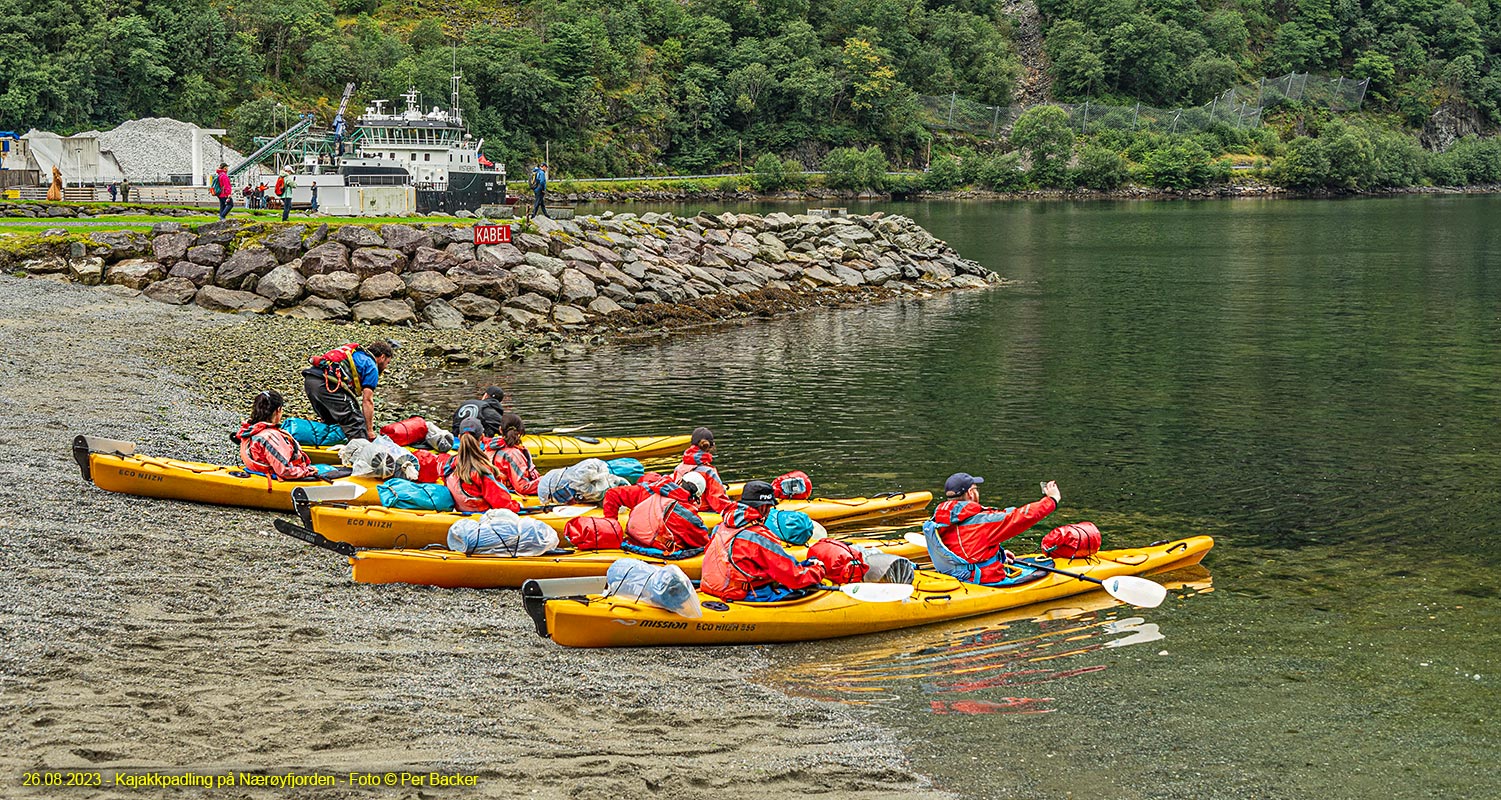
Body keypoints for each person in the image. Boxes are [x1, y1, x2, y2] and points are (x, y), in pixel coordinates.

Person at [923, 474, 1061, 584]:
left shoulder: (938, 519)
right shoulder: (983, 521)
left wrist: (995, 554)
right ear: (971, 493)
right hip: (979, 580)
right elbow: (1020, 517)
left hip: (953, 574)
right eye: (976, 489)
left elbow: (958, 546)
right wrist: (1052, 500)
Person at [700, 481, 827, 601]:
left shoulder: (721, 526)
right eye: (770, 507)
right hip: (743, 594)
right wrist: (819, 570)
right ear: (764, 507)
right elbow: (795, 577)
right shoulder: (759, 537)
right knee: (805, 590)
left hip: (712, 588)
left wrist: (804, 564)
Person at [301, 340, 396, 443]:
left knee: (332, 421)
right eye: (387, 362)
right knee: (356, 423)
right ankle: (361, 453)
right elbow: (367, 400)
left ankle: (329, 444)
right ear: (382, 357)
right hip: (326, 384)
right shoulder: (372, 366)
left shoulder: (356, 353)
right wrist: (369, 431)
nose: (386, 366)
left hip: (310, 381)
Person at [602, 472, 711, 553]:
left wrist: (612, 528)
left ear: (678, 481)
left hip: (630, 542)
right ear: (695, 497)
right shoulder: (688, 515)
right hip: (656, 553)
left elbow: (612, 494)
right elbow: (703, 543)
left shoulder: (648, 489)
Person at [233, 390, 319, 481]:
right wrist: (308, 471)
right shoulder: (269, 436)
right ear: (278, 410)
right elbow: (285, 471)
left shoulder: (248, 430)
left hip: (260, 472)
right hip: (283, 476)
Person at [444, 418, 521, 513]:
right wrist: (517, 506)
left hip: (461, 510)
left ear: (459, 437)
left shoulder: (449, 464)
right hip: (482, 515)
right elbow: (501, 503)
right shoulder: (481, 470)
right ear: (482, 437)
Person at [672, 427, 732, 513]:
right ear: (710, 447)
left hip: (682, 509)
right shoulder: (709, 471)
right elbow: (719, 502)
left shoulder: (678, 468)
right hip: (703, 512)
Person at [489, 413, 542, 495]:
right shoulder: (513, 454)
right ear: (520, 431)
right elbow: (523, 487)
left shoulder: (490, 448)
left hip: (497, 489)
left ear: (500, 430)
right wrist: (546, 480)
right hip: (509, 493)